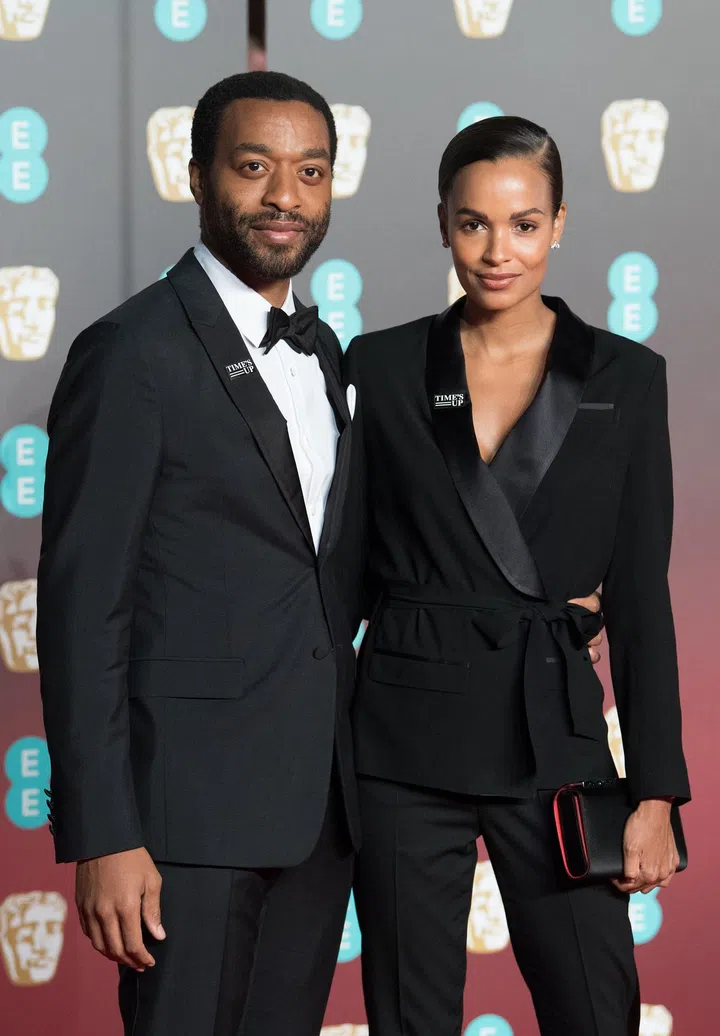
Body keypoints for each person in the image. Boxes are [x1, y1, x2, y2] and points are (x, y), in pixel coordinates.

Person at [346, 116, 690, 1036]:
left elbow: (642, 601)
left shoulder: (629, 377)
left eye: (525, 224)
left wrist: (656, 790)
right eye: (474, 225)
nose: (499, 252)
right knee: (408, 1017)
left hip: (556, 731)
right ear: (444, 224)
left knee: (593, 1007)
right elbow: (339, 575)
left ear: (560, 224)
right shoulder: (379, 367)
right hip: (401, 737)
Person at [37, 71, 365, 1036]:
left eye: (310, 171)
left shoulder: (330, 352)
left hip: (316, 816)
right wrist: (104, 834)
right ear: (196, 176)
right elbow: (81, 605)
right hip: (182, 828)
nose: (284, 196)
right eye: (254, 166)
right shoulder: (131, 351)